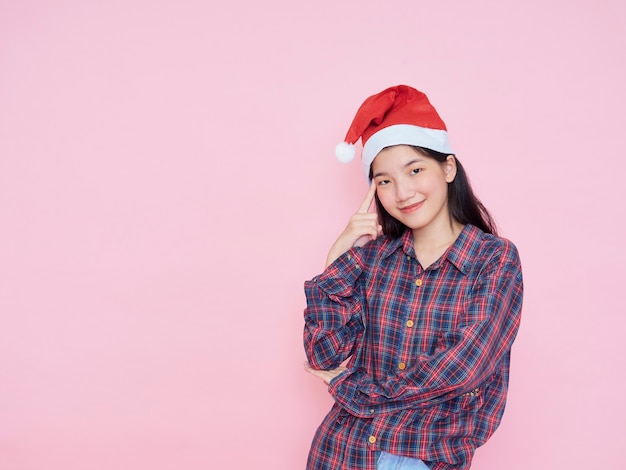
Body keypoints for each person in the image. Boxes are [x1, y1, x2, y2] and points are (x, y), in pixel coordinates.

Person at [303, 85, 523, 470]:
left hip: (423, 458)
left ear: (448, 168)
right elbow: (325, 354)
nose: (402, 192)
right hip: (341, 452)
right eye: (384, 181)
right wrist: (336, 257)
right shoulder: (372, 257)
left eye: (415, 170)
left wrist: (353, 389)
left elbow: (461, 367)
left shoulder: (493, 260)